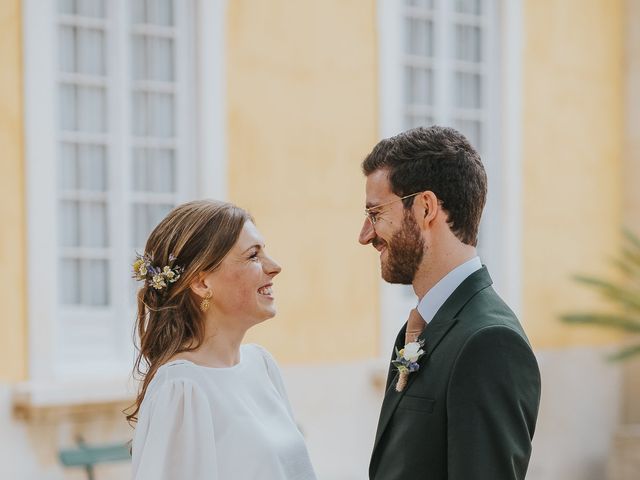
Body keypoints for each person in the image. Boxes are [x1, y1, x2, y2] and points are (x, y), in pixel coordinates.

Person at [359, 126, 541, 479]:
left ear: (425, 207)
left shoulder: (489, 342)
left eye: (375, 214)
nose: (365, 235)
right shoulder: (421, 327)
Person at [127, 200, 317, 480]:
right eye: (253, 255)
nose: (274, 266)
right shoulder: (182, 390)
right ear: (202, 283)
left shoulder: (262, 366)